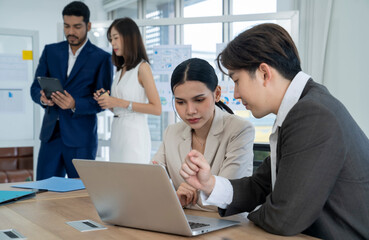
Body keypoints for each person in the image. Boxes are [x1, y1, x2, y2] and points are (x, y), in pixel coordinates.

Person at [180, 23, 369, 239]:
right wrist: (210, 184)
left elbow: (285, 218)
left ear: (263, 73)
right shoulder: (301, 108)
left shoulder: (311, 113)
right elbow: (261, 185)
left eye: (237, 81)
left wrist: (250, 217)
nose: (237, 94)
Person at [152, 58, 254, 211]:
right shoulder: (171, 133)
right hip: (186, 222)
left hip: (229, 225)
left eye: (199, 100)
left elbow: (227, 196)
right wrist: (175, 198)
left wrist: (176, 199)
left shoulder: (240, 130)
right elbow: (151, 186)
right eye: (180, 102)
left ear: (217, 93)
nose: (190, 111)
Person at [30, 1, 113, 180]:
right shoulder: (50, 51)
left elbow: (103, 102)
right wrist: (43, 98)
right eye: (67, 26)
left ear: (88, 26)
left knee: (80, 195)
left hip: (81, 139)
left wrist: (75, 104)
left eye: (77, 27)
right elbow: (35, 88)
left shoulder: (101, 58)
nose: (71, 32)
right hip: (50, 136)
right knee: (44, 194)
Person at [94, 18, 161, 164]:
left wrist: (117, 101)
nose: (113, 43)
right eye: (111, 39)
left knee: (132, 180)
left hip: (134, 134)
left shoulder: (143, 68)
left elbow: (156, 108)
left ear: (129, 37)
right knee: (118, 179)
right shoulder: (120, 69)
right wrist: (107, 102)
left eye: (116, 38)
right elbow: (119, 109)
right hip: (118, 131)